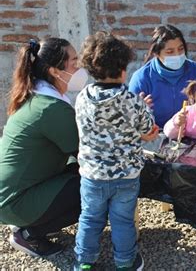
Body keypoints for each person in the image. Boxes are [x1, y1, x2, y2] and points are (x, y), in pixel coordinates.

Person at [73, 32, 158, 270]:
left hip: (92, 175)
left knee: (90, 219)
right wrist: (146, 117)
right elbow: (147, 130)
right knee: (122, 221)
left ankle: (84, 262)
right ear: (123, 69)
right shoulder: (132, 101)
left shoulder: (82, 98)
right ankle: (125, 262)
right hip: (126, 175)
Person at [0, 38, 88, 257]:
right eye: (74, 62)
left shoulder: (36, 96)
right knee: (96, 188)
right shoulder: (51, 108)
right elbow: (86, 155)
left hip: (11, 193)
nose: (79, 68)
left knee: (77, 170)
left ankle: (29, 221)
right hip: (14, 201)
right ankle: (30, 233)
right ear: (55, 71)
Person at [129, 24, 196, 128]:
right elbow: (130, 119)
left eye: (180, 49)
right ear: (157, 53)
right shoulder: (141, 78)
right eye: (170, 52)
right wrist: (139, 111)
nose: (177, 55)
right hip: (154, 135)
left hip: (192, 133)